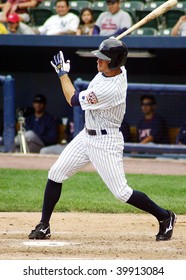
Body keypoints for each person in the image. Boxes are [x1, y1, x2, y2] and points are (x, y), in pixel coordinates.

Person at [28, 38, 176, 242]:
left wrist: (62, 74)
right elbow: (113, 55)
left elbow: (72, 99)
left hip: (106, 142)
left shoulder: (110, 89)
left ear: (114, 63)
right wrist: (110, 46)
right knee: (55, 173)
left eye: (103, 58)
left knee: (122, 193)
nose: (98, 60)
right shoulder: (114, 71)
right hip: (86, 135)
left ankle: (165, 216)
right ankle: (44, 225)